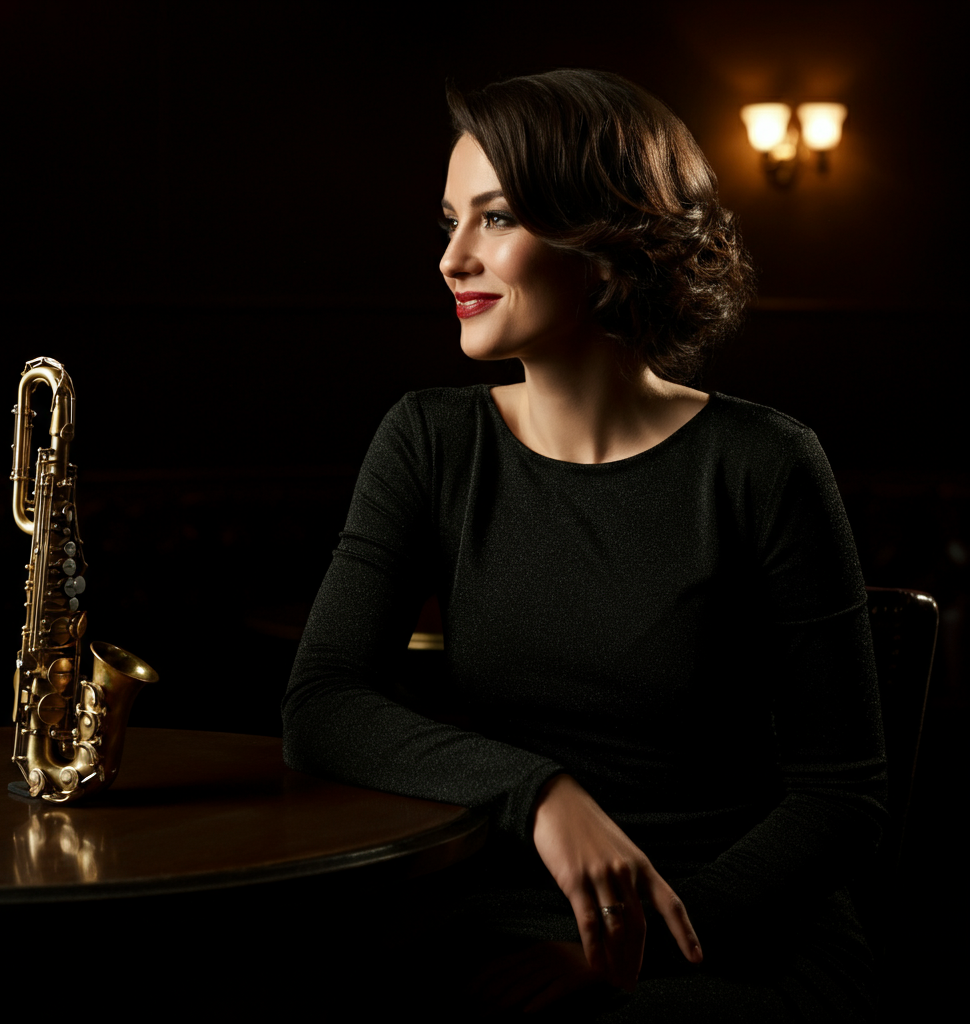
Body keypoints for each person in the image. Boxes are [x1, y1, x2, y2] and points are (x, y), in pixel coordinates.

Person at [282, 69, 886, 1021]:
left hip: (733, 931)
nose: (451, 260)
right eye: (448, 223)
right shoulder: (431, 442)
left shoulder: (764, 463)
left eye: (496, 219)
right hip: (499, 907)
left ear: (606, 243)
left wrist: (638, 950)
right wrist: (540, 794)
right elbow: (322, 705)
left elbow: (841, 795)